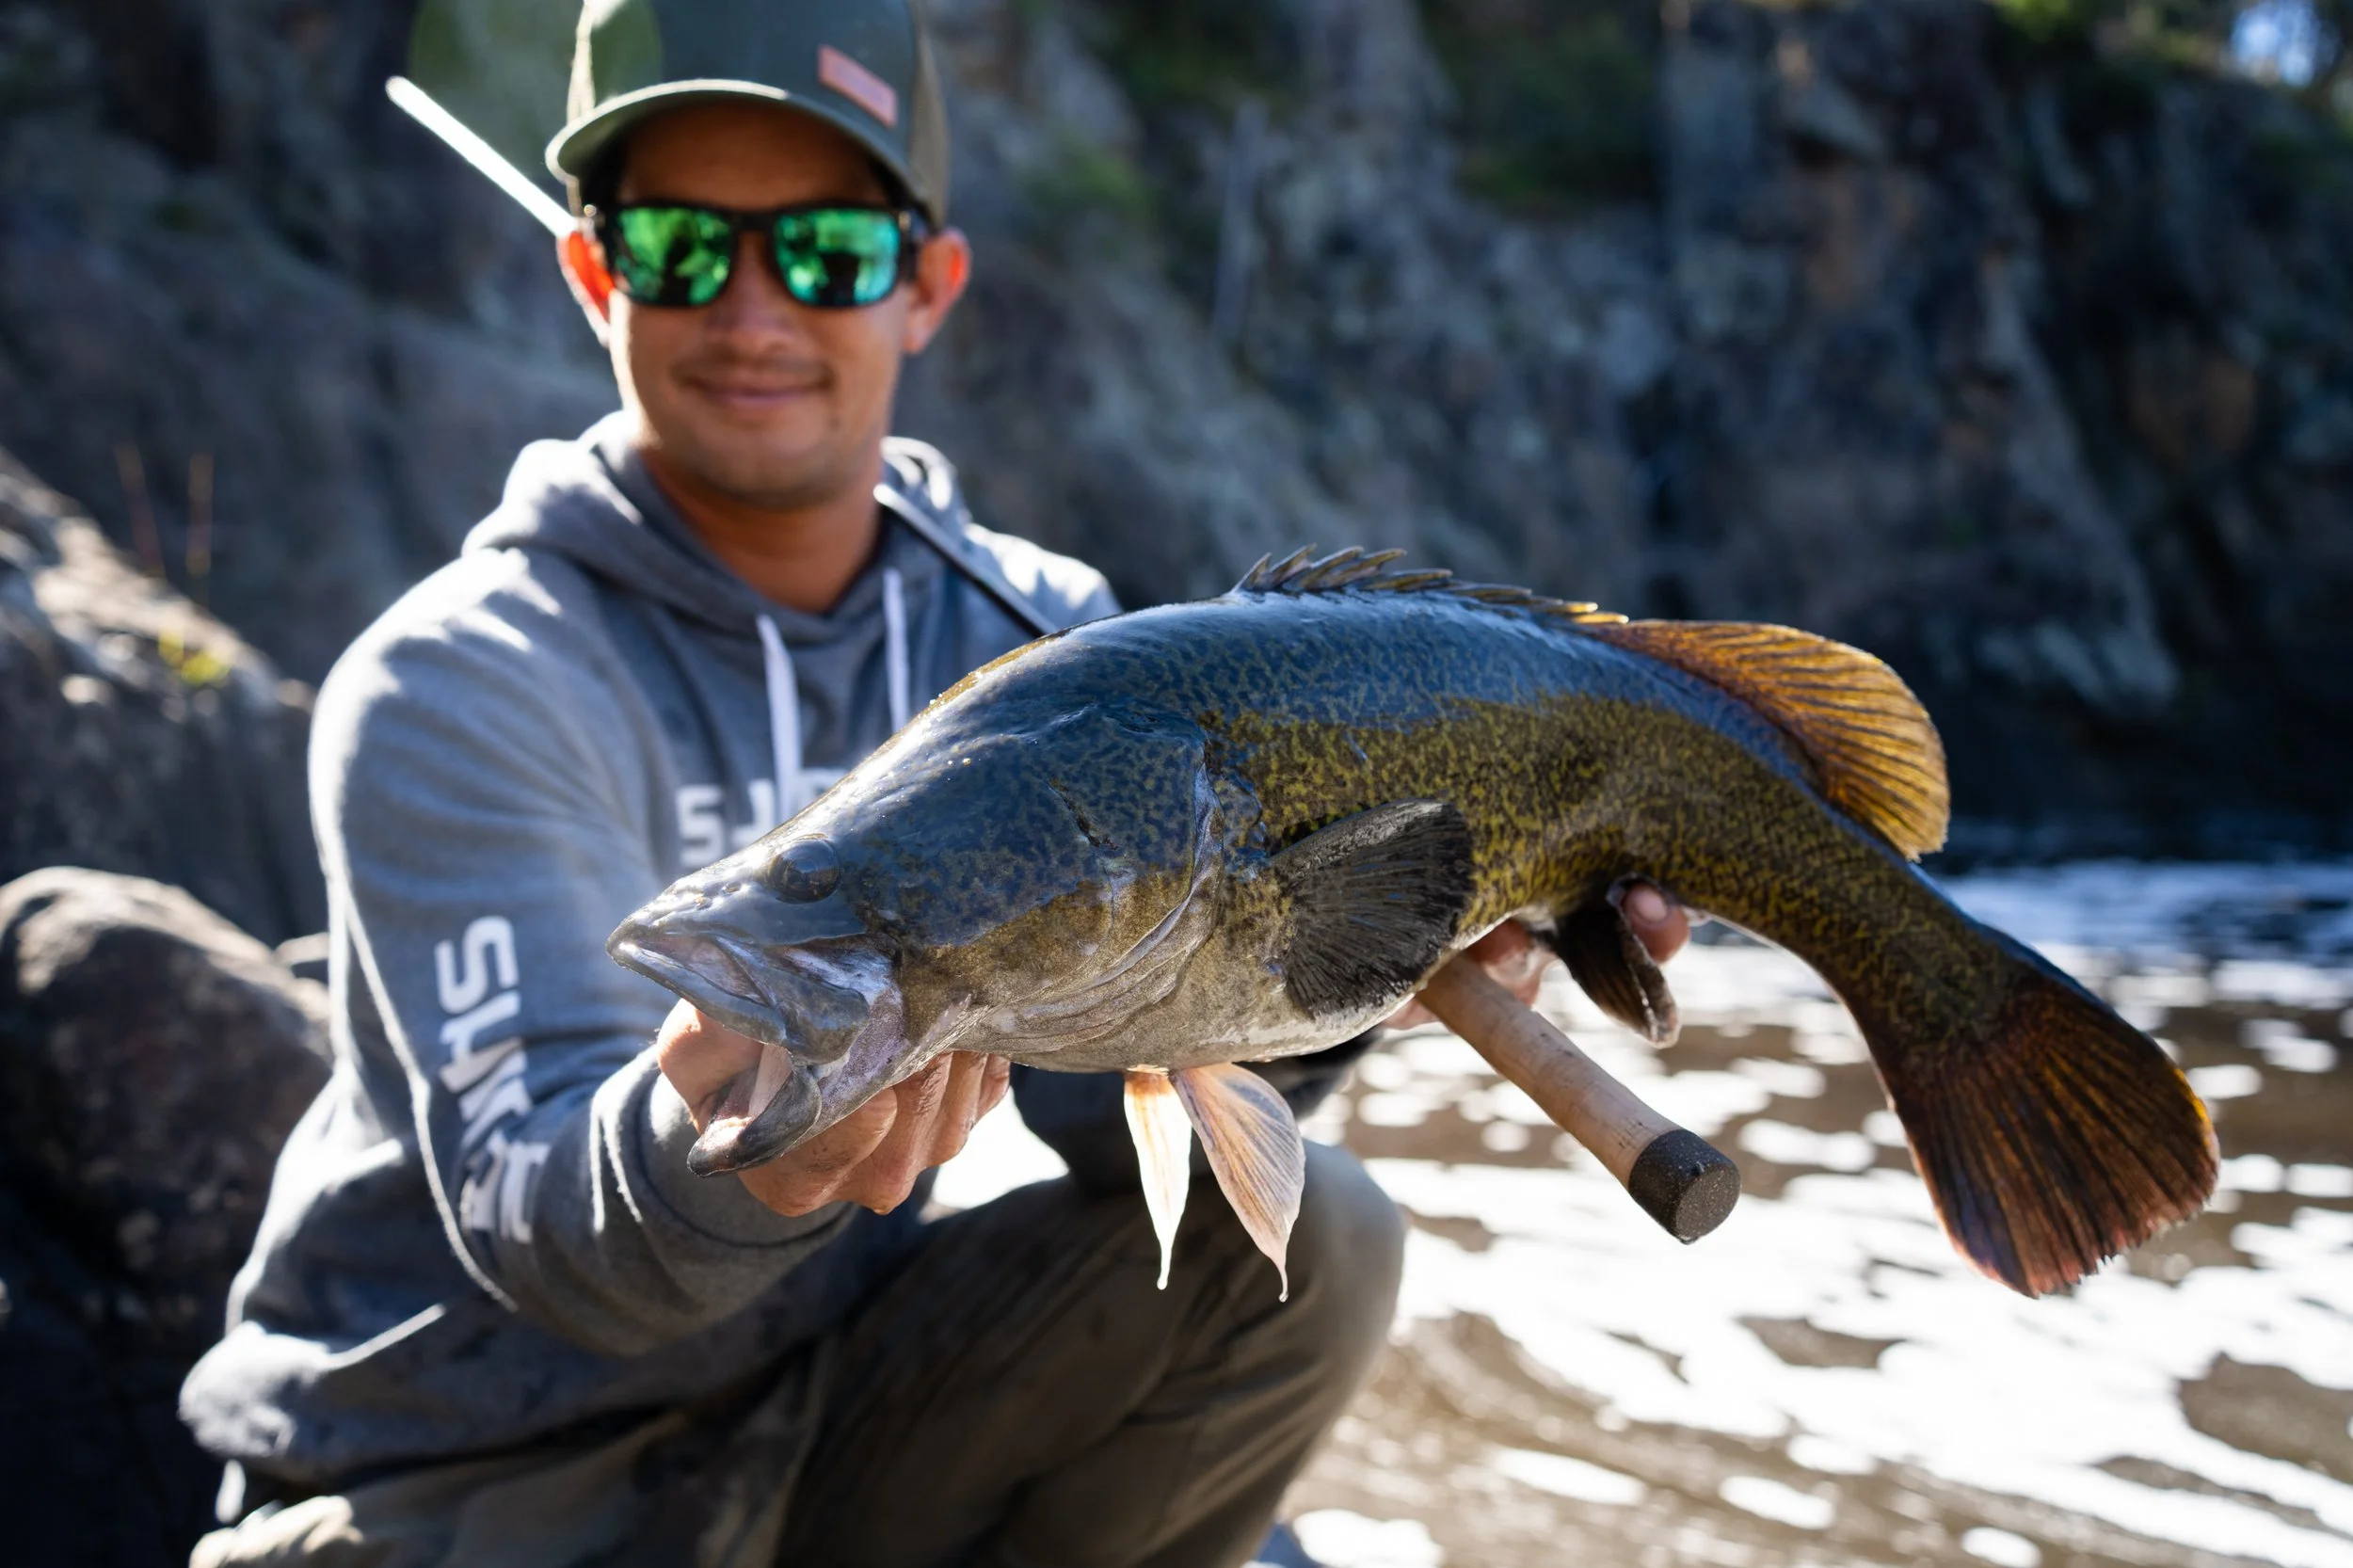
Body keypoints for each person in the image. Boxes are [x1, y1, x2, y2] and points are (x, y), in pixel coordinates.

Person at [179, 3, 1688, 1563]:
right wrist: (739, 1152)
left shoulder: (1048, 639)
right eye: (684, 247)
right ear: (592, 273)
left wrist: (1344, 961)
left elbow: (1119, 1132)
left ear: (927, 287)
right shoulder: (457, 682)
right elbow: (553, 1242)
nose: (755, 310)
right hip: (461, 1477)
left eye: (827, 248)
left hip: (829, 1408)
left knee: (1313, 1250)